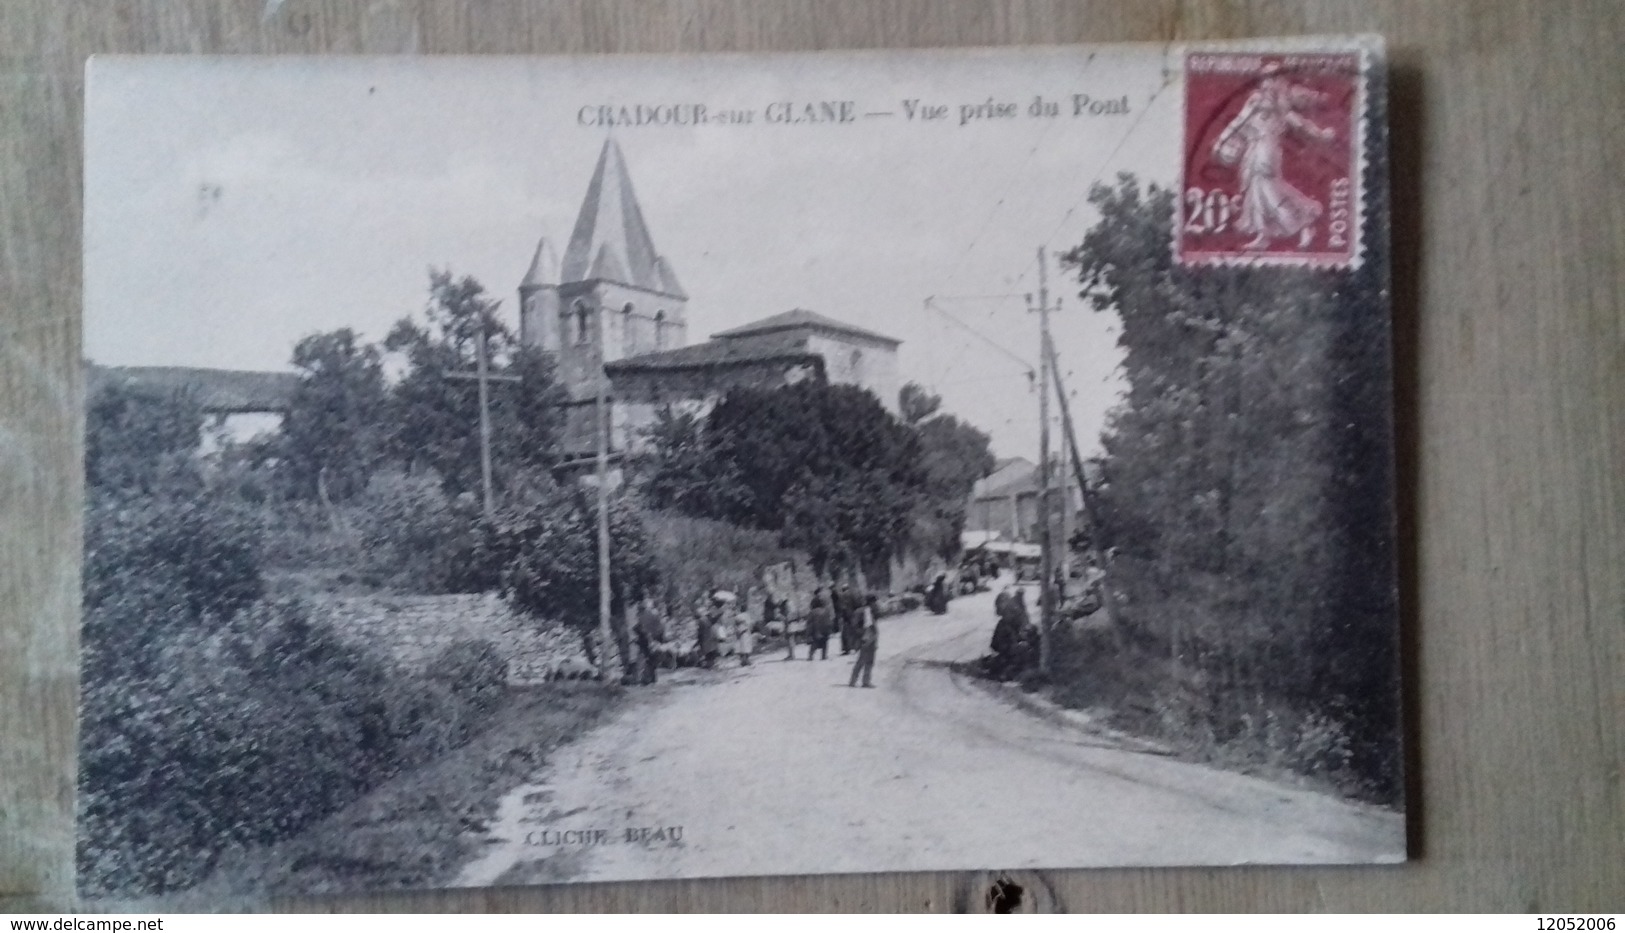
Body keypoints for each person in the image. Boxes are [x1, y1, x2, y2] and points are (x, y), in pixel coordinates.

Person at [848, 594, 879, 688]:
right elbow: (854, 626)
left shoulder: (871, 611)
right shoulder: (860, 612)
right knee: (861, 661)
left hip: (872, 639)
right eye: (874, 602)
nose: (875, 604)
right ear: (871, 602)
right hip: (864, 639)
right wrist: (861, 635)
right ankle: (853, 681)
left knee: (870, 661)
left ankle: (866, 681)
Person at [634, 598, 665, 685]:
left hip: (646, 639)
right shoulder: (656, 614)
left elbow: (641, 628)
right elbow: (661, 628)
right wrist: (660, 640)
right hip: (654, 638)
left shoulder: (643, 615)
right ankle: (652, 678)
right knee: (652, 658)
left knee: (644, 658)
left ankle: (644, 678)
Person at [805, 588, 833, 661]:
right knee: (824, 641)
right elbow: (829, 620)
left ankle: (811, 656)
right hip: (824, 626)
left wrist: (808, 633)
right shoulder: (826, 609)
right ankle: (824, 655)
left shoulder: (812, 611)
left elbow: (809, 623)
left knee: (814, 642)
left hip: (816, 628)